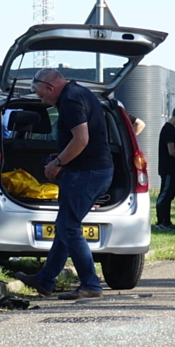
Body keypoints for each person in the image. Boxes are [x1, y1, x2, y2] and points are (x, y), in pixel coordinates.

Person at [13, 69, 113, 299]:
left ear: (50, 87)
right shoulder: (80, 93)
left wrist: (58, 163)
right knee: (65, 226)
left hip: (87, 173)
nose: (42, 101)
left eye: (41, 95)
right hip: (94, 171)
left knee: (69, 227)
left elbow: (82, 139)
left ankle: (91, 284)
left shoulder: (70, 99)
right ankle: (45, 280)